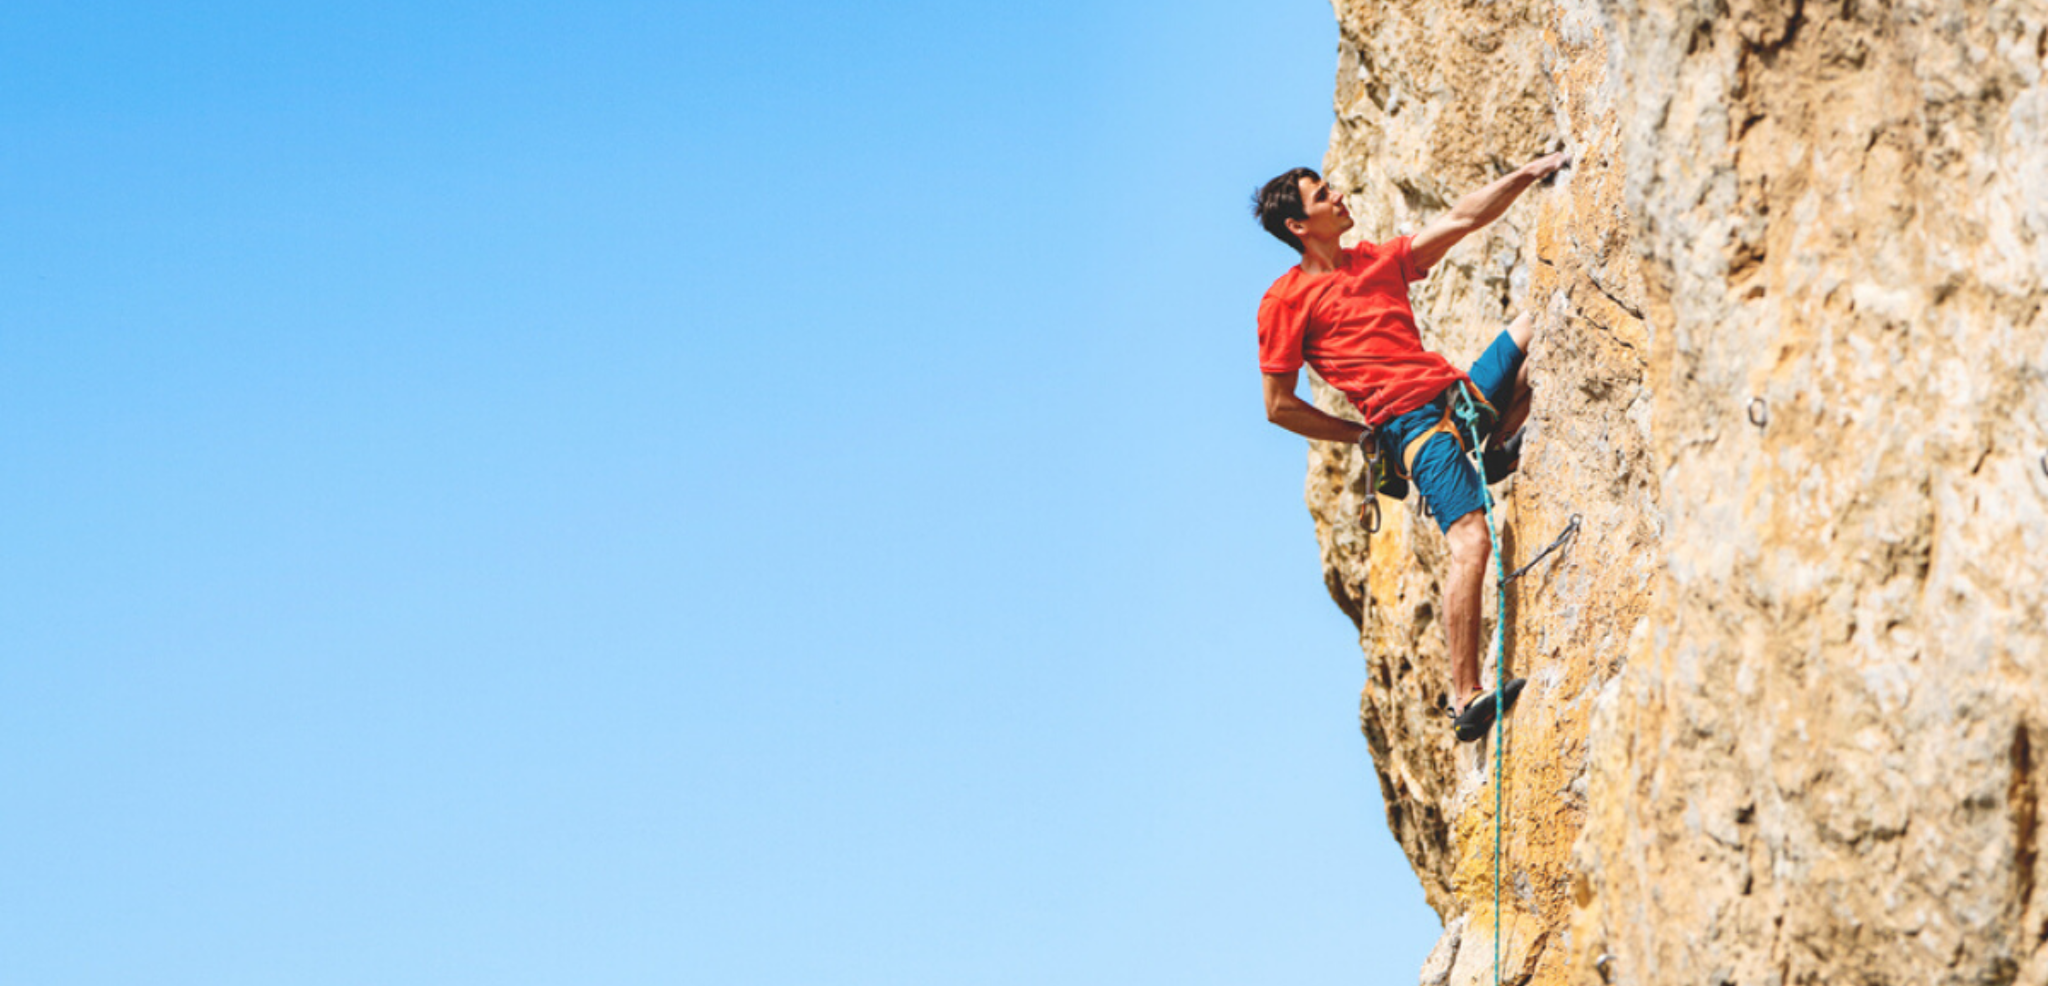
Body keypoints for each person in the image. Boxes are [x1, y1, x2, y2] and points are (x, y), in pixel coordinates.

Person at [1251, 154, 1568, 742]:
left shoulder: (1374, 261)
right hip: (1412, 428)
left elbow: (1460, 219)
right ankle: (1465, 696)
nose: (1339, 195)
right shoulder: (1285, 301)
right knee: (1471, 539)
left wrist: (1529, 173)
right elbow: (1278, 404)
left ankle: (1495, 448)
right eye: (1323, 195)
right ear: (1298, 226)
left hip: (1457, 397)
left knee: (1540, 322)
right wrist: (1360, 434)